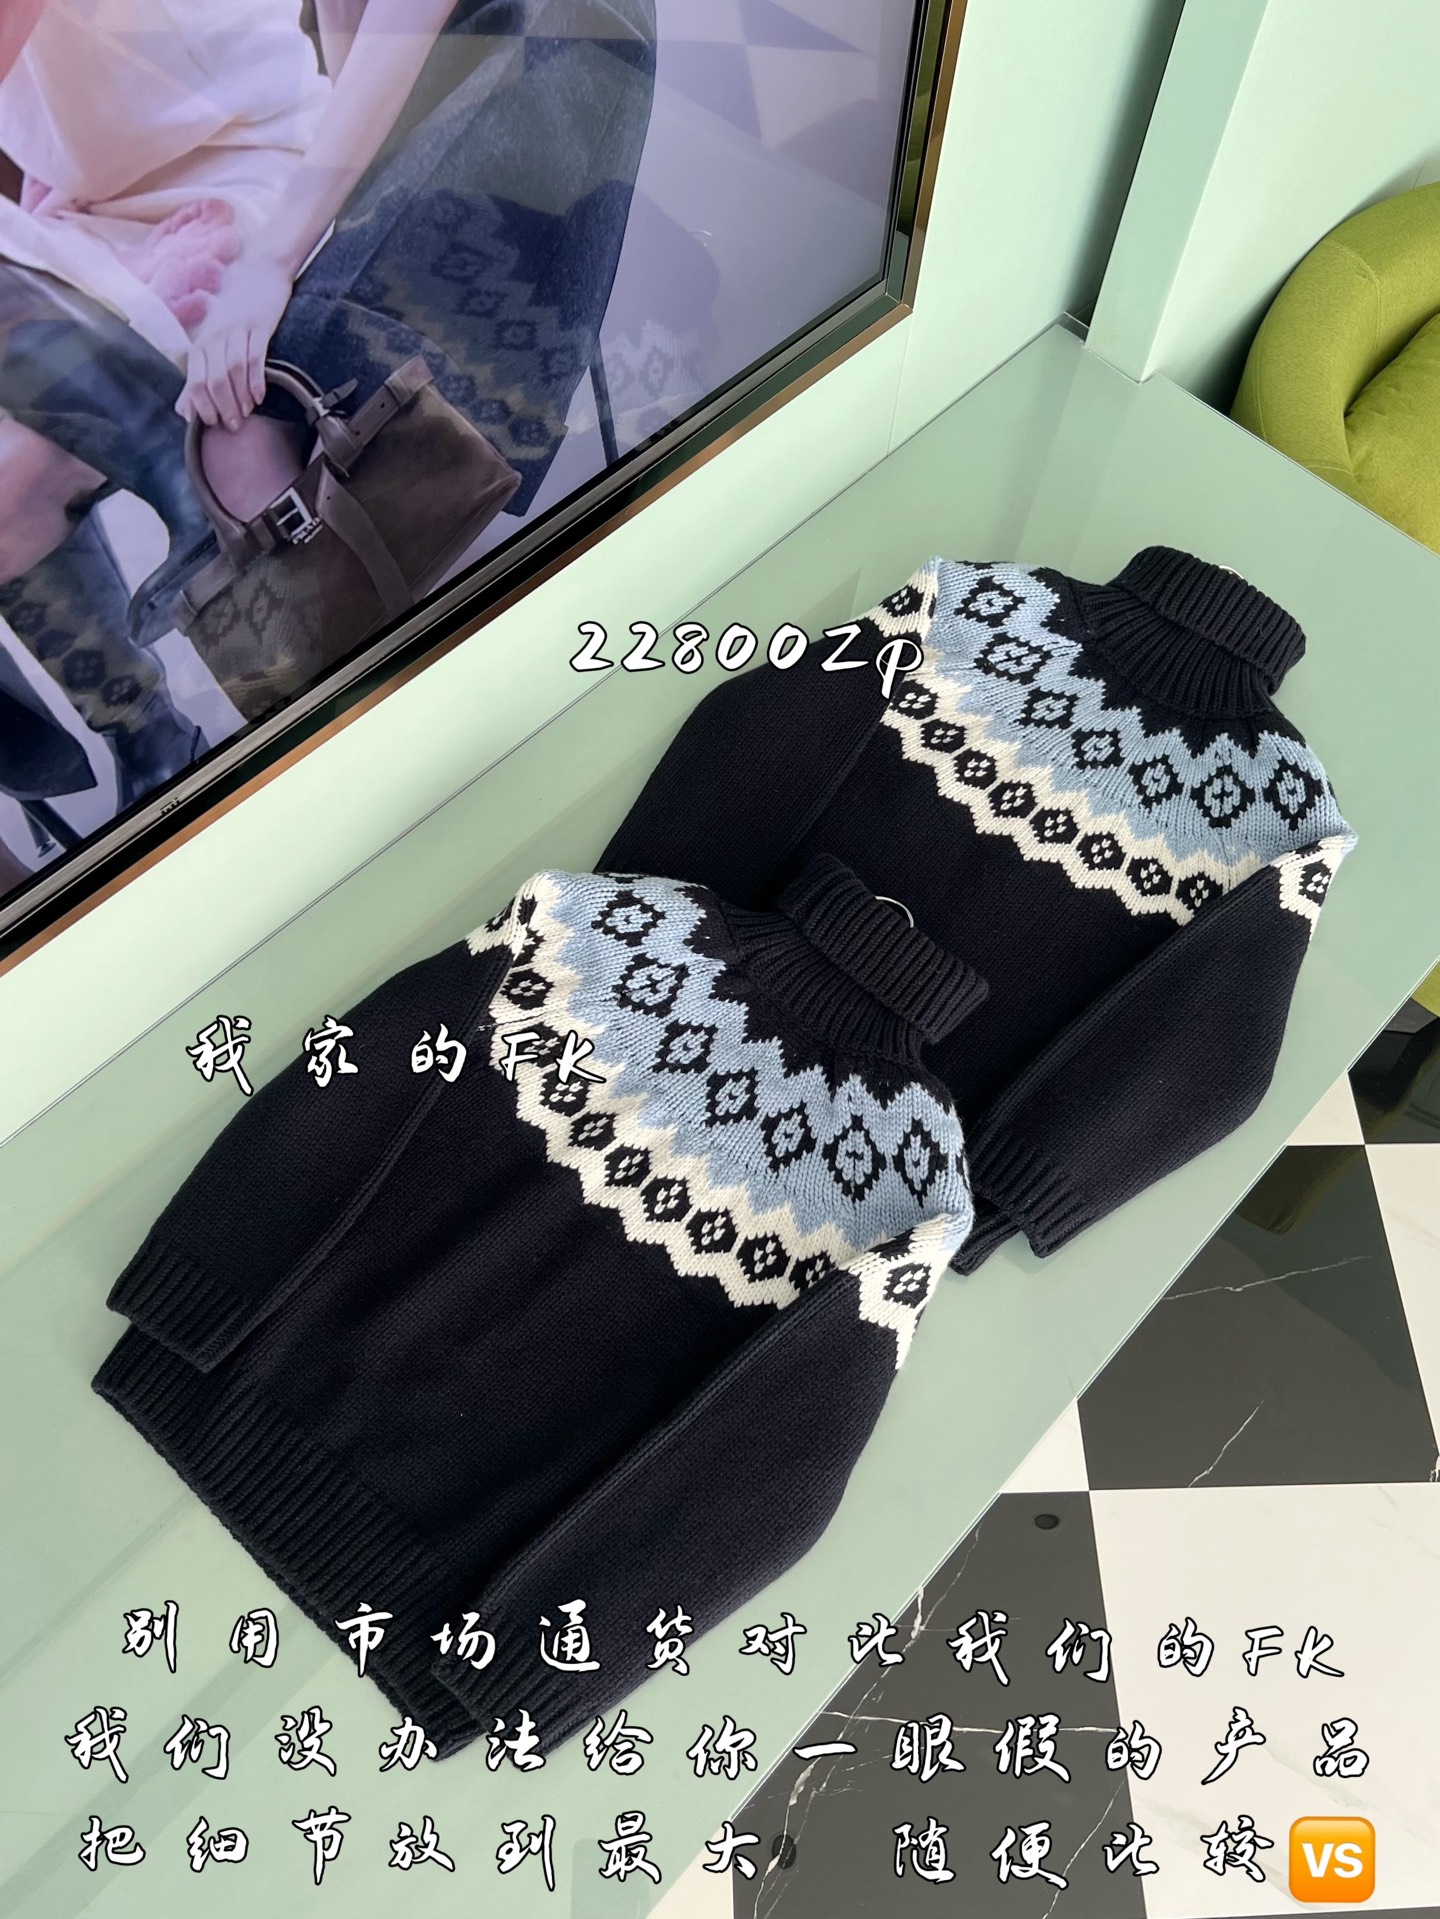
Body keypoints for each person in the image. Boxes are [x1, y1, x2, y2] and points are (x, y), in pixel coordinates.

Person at [0, 0, 656, 786]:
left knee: (275, 452)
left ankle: (497, 748)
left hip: (471, 82)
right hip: (127, 200)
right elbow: (348, 24)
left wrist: (278, 259)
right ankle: (166, 742)